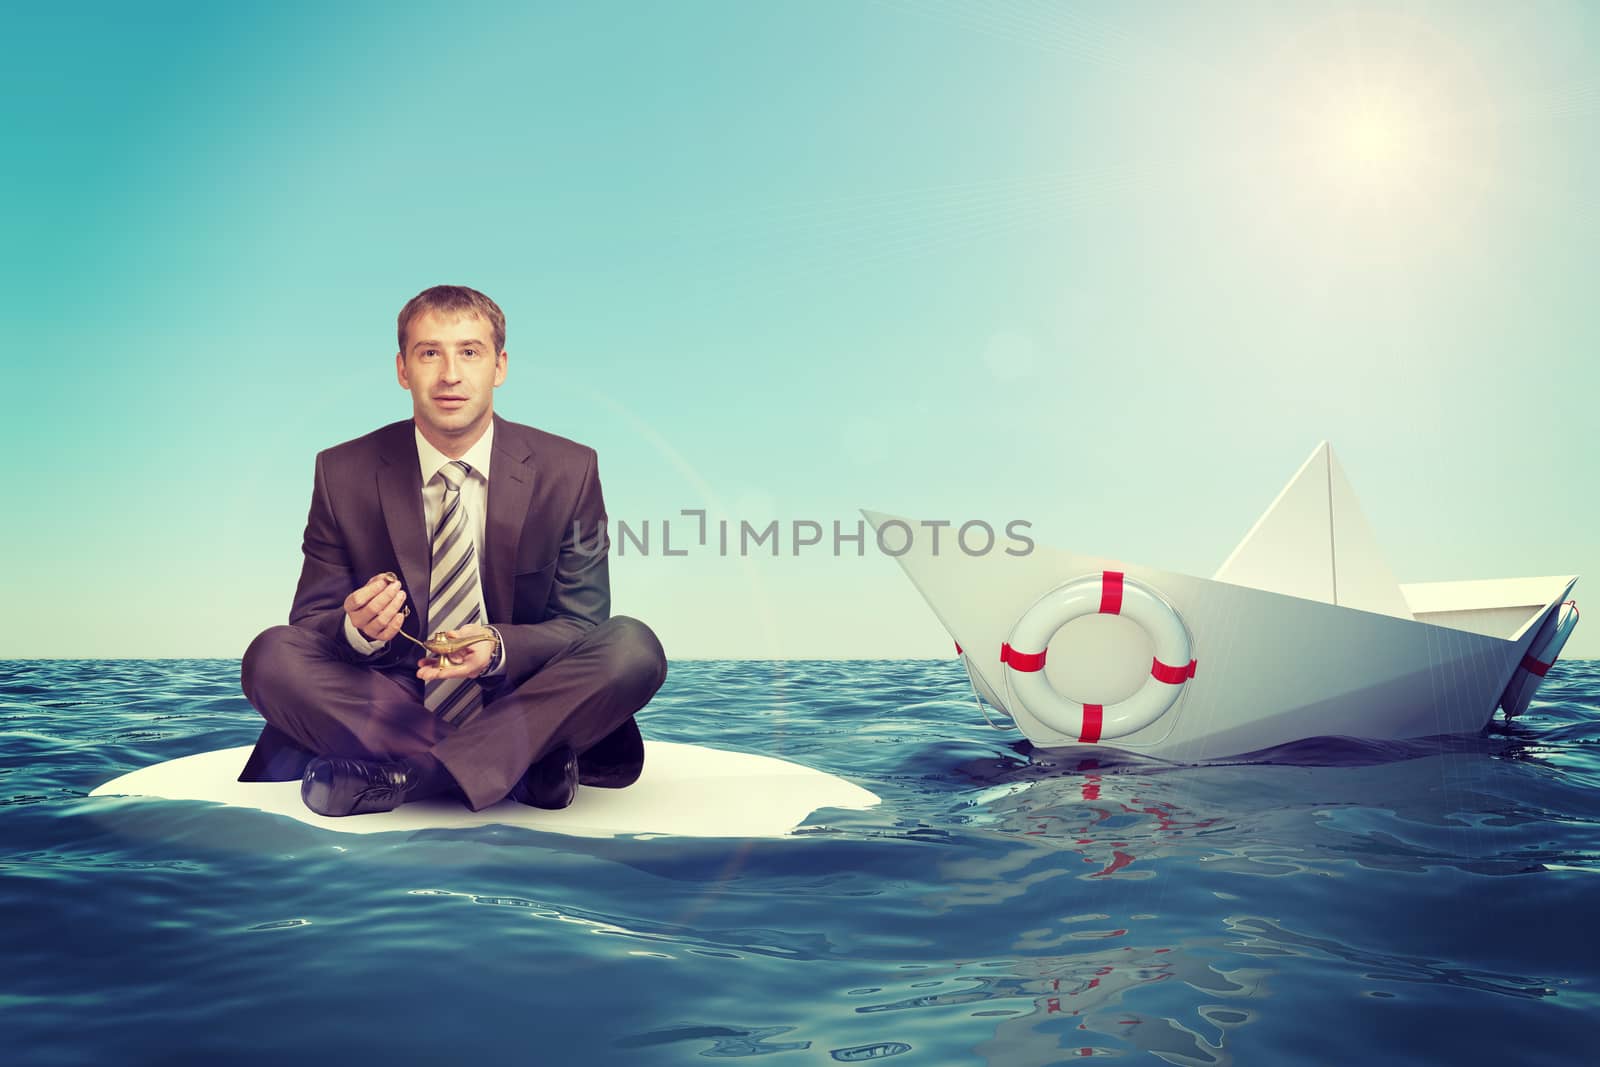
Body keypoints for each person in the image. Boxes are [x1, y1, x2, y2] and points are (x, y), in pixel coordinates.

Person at [235, 285, 666, 816]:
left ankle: (409, 777)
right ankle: (516, 772)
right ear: (402, 369)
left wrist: (497, 648)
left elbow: (580, 625)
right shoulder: (340, 471)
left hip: (522, 699)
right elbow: (309, 625)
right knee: (270, 656)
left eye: (469, 352)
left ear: (499, 366)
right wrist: (358, 630)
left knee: (632, 646)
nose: (450, 375)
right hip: (392, 704)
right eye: (429, 353)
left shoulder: (570, 470)